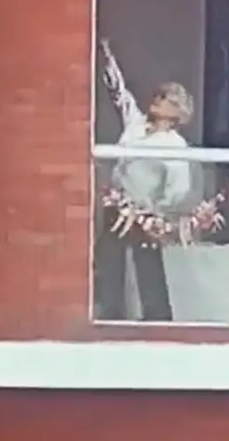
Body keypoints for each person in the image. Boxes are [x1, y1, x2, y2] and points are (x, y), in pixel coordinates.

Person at [94, 38, 194, 321]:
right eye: (159, 95)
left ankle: (158, 319)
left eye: (165, 98)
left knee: (147, 265)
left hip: (146, 213)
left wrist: (157, 213)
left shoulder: (175, 144)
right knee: (110, 259)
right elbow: (119, 94)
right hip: (118, 207)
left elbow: (179, 189)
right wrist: (107, 57)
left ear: (177, 111)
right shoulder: (136, 125)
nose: (157, 99)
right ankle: (110, 314)